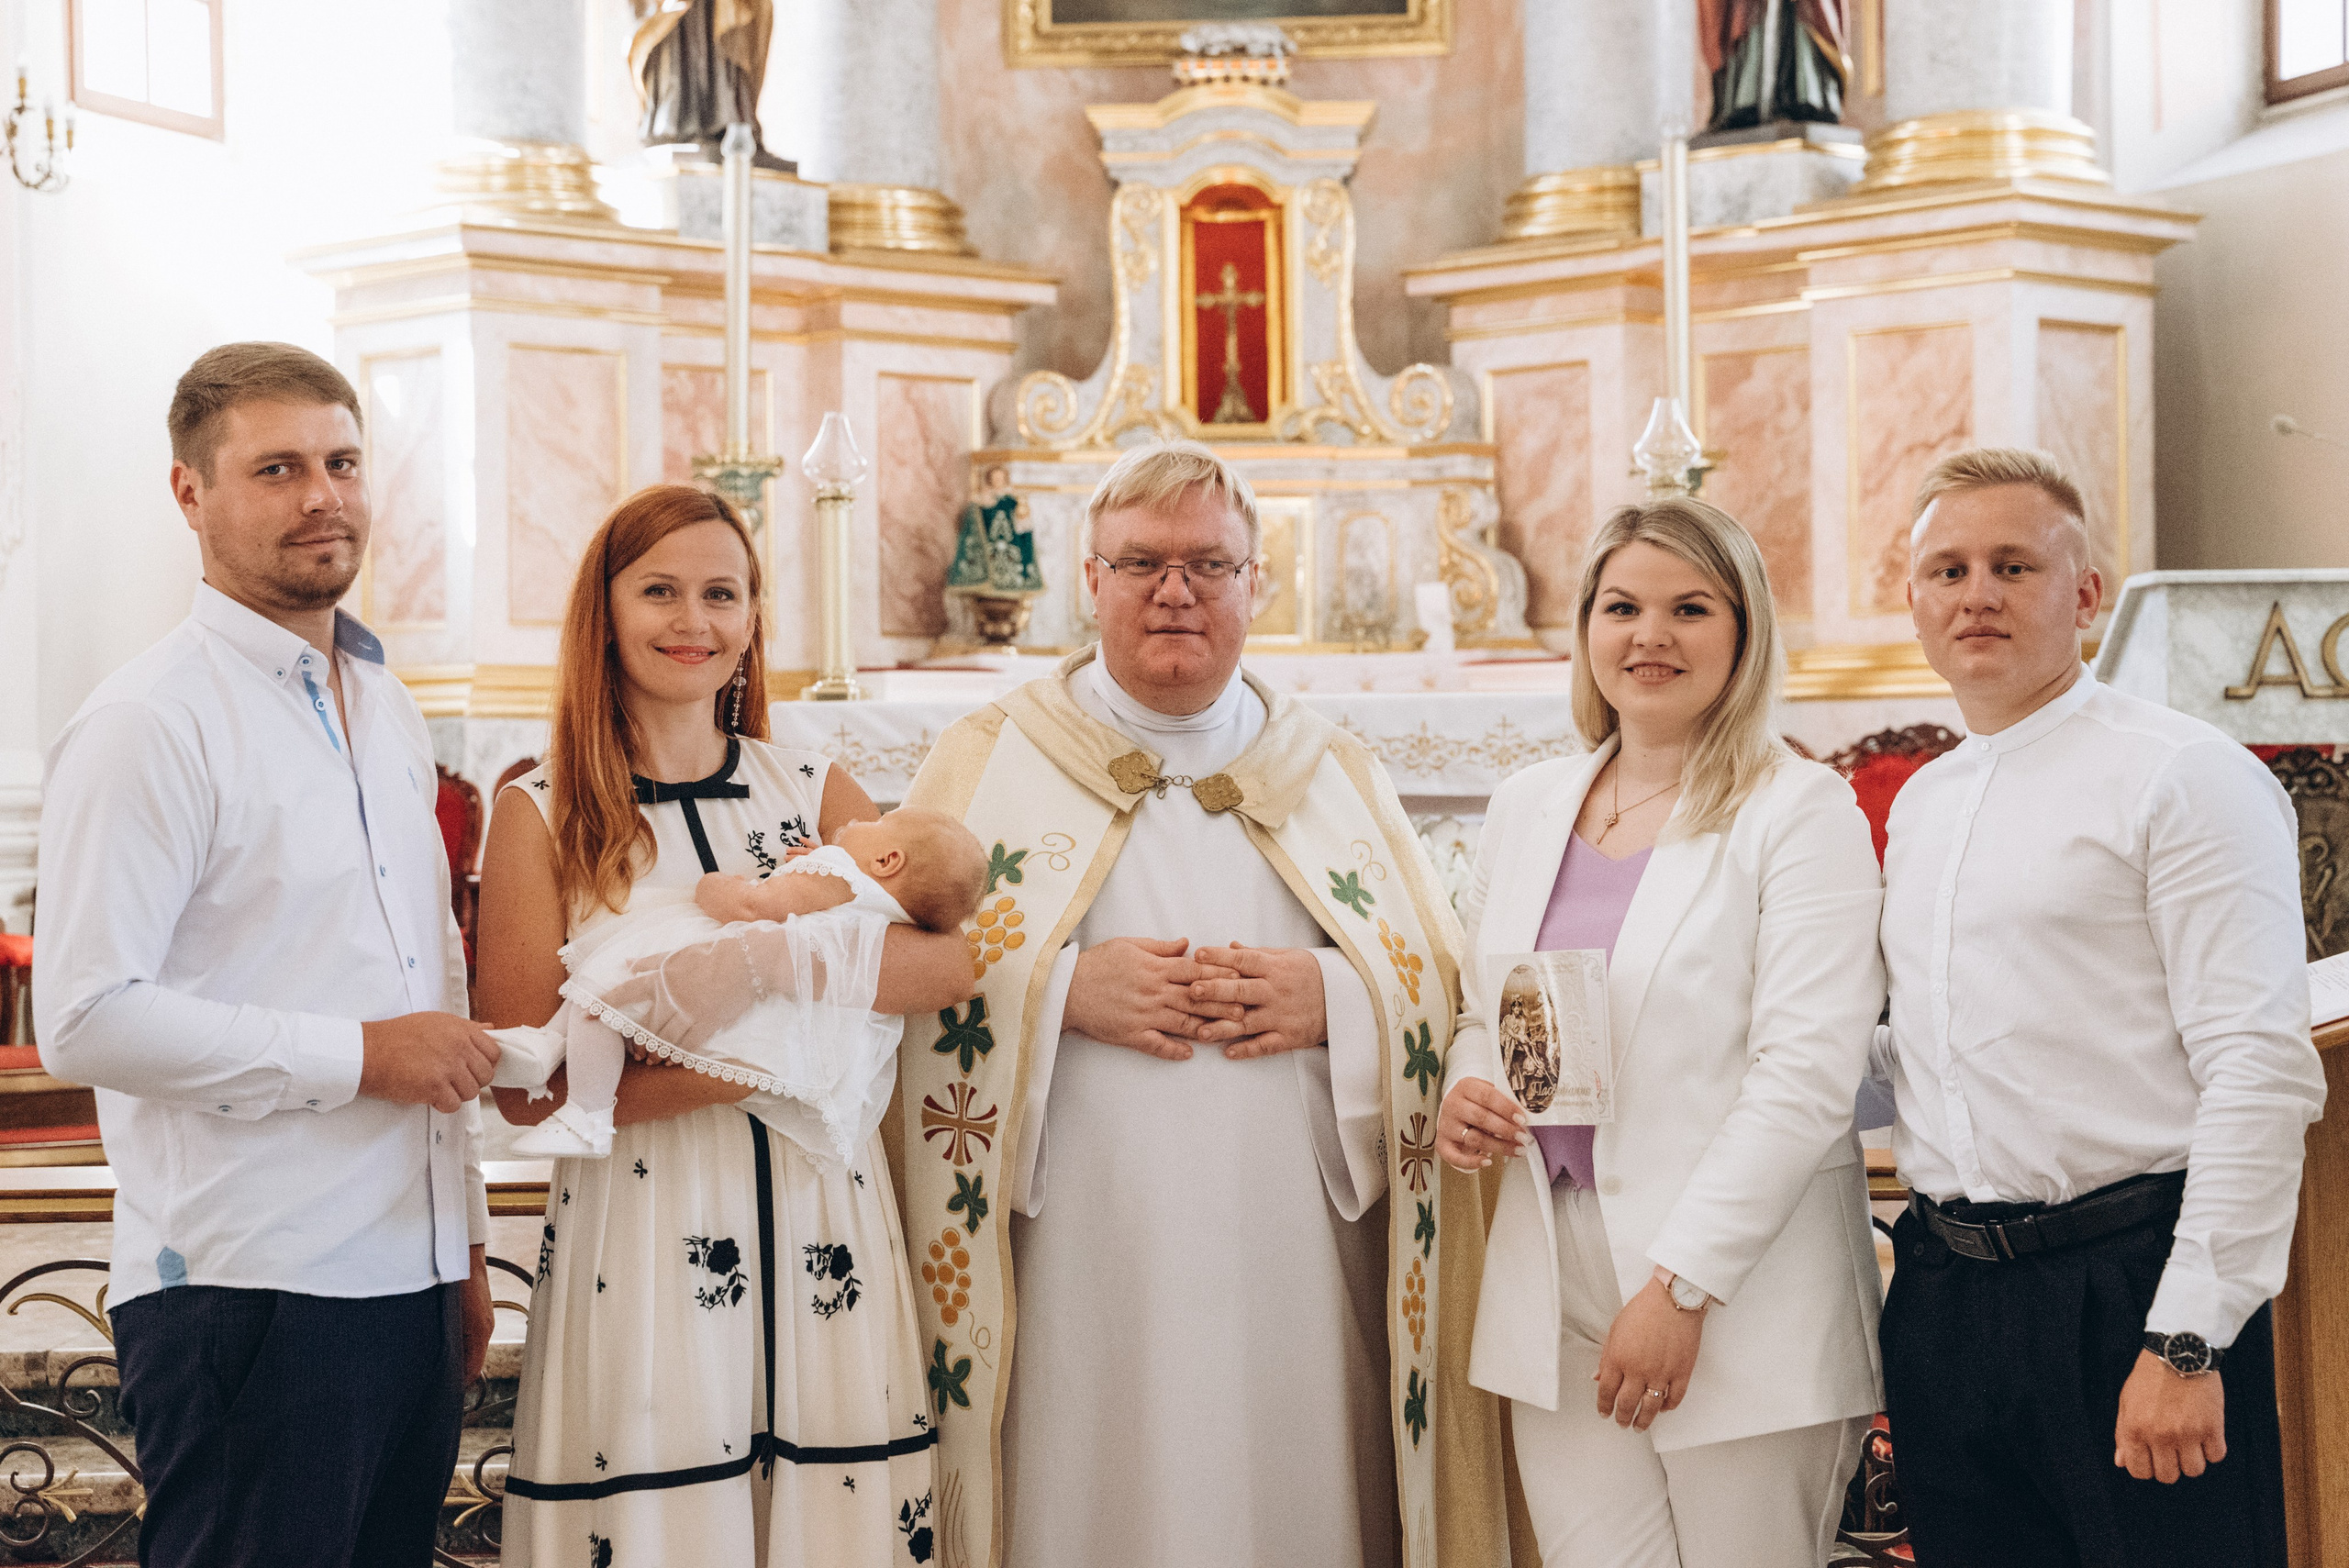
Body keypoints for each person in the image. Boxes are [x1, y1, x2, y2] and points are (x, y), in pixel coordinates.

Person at [894, 439, 1508, 1568]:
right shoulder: (992, 759)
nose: (1174, 590)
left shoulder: (1328, 768)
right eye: (1140, 562)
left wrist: (1333, 993)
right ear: (1090, 579)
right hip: (1078, 1233)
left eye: (1207, 564)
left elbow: (1438, 978)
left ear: (1254, 582)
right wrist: (1063, 988)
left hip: (1290, 1236)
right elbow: (896, 978)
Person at [33, 341, 499, 1565]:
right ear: (190, 493)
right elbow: (82, 1014)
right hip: (253, 1280)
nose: (322, 496)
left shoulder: (383, 703)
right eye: (278, 468)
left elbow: (429, 984)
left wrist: (462, 1244)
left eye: (342, 462)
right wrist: (362, 1058)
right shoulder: (150, 719)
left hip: (409, 1278)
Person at [477, 484, 975, 1565]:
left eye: (721, 593)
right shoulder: (541, 811)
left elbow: (949, 959)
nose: (692, 620)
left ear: (753, 617)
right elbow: (524, 1087)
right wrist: (755, 1061)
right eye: (659, 590)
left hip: (821, 1215)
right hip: (648, 1222)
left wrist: (757, 966)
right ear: (604, 613)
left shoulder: (809, 786)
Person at [1875, 447, 2324, 1568]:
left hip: (2127, 1288)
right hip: (1947, 1298)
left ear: (2084, 593)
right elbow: (1922, 1049)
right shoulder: (1922, 803)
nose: (1976, 593)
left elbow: (2258, 1065)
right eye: (1947, 570)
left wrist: (2187, 1335)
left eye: (2012, 565)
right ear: (1914, 600)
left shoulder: (2183, 774)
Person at [1435, 495, 1886, 1568]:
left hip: (1739, 1287)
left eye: (1689, 607)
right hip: (1553, 1272)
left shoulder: (1798, 809)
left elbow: (1805, 1075)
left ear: (1743, 629)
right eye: (1621, 606)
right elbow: (1481, 1008)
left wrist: (1681, 1286)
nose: (1650, 635)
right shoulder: (1528, 803)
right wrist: (1467, 1084)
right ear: (1586, 627)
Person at [495, 806, 985, 1160]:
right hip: (780, 1037)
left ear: (887, 861)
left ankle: (584, 1106)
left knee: (611, 988)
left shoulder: (836, 868)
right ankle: (555, 1051)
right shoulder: (881, 906)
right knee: (612, 991)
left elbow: (754, 907)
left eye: (876, 823)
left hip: (709, 975)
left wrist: (714, 888)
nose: (857, 822)